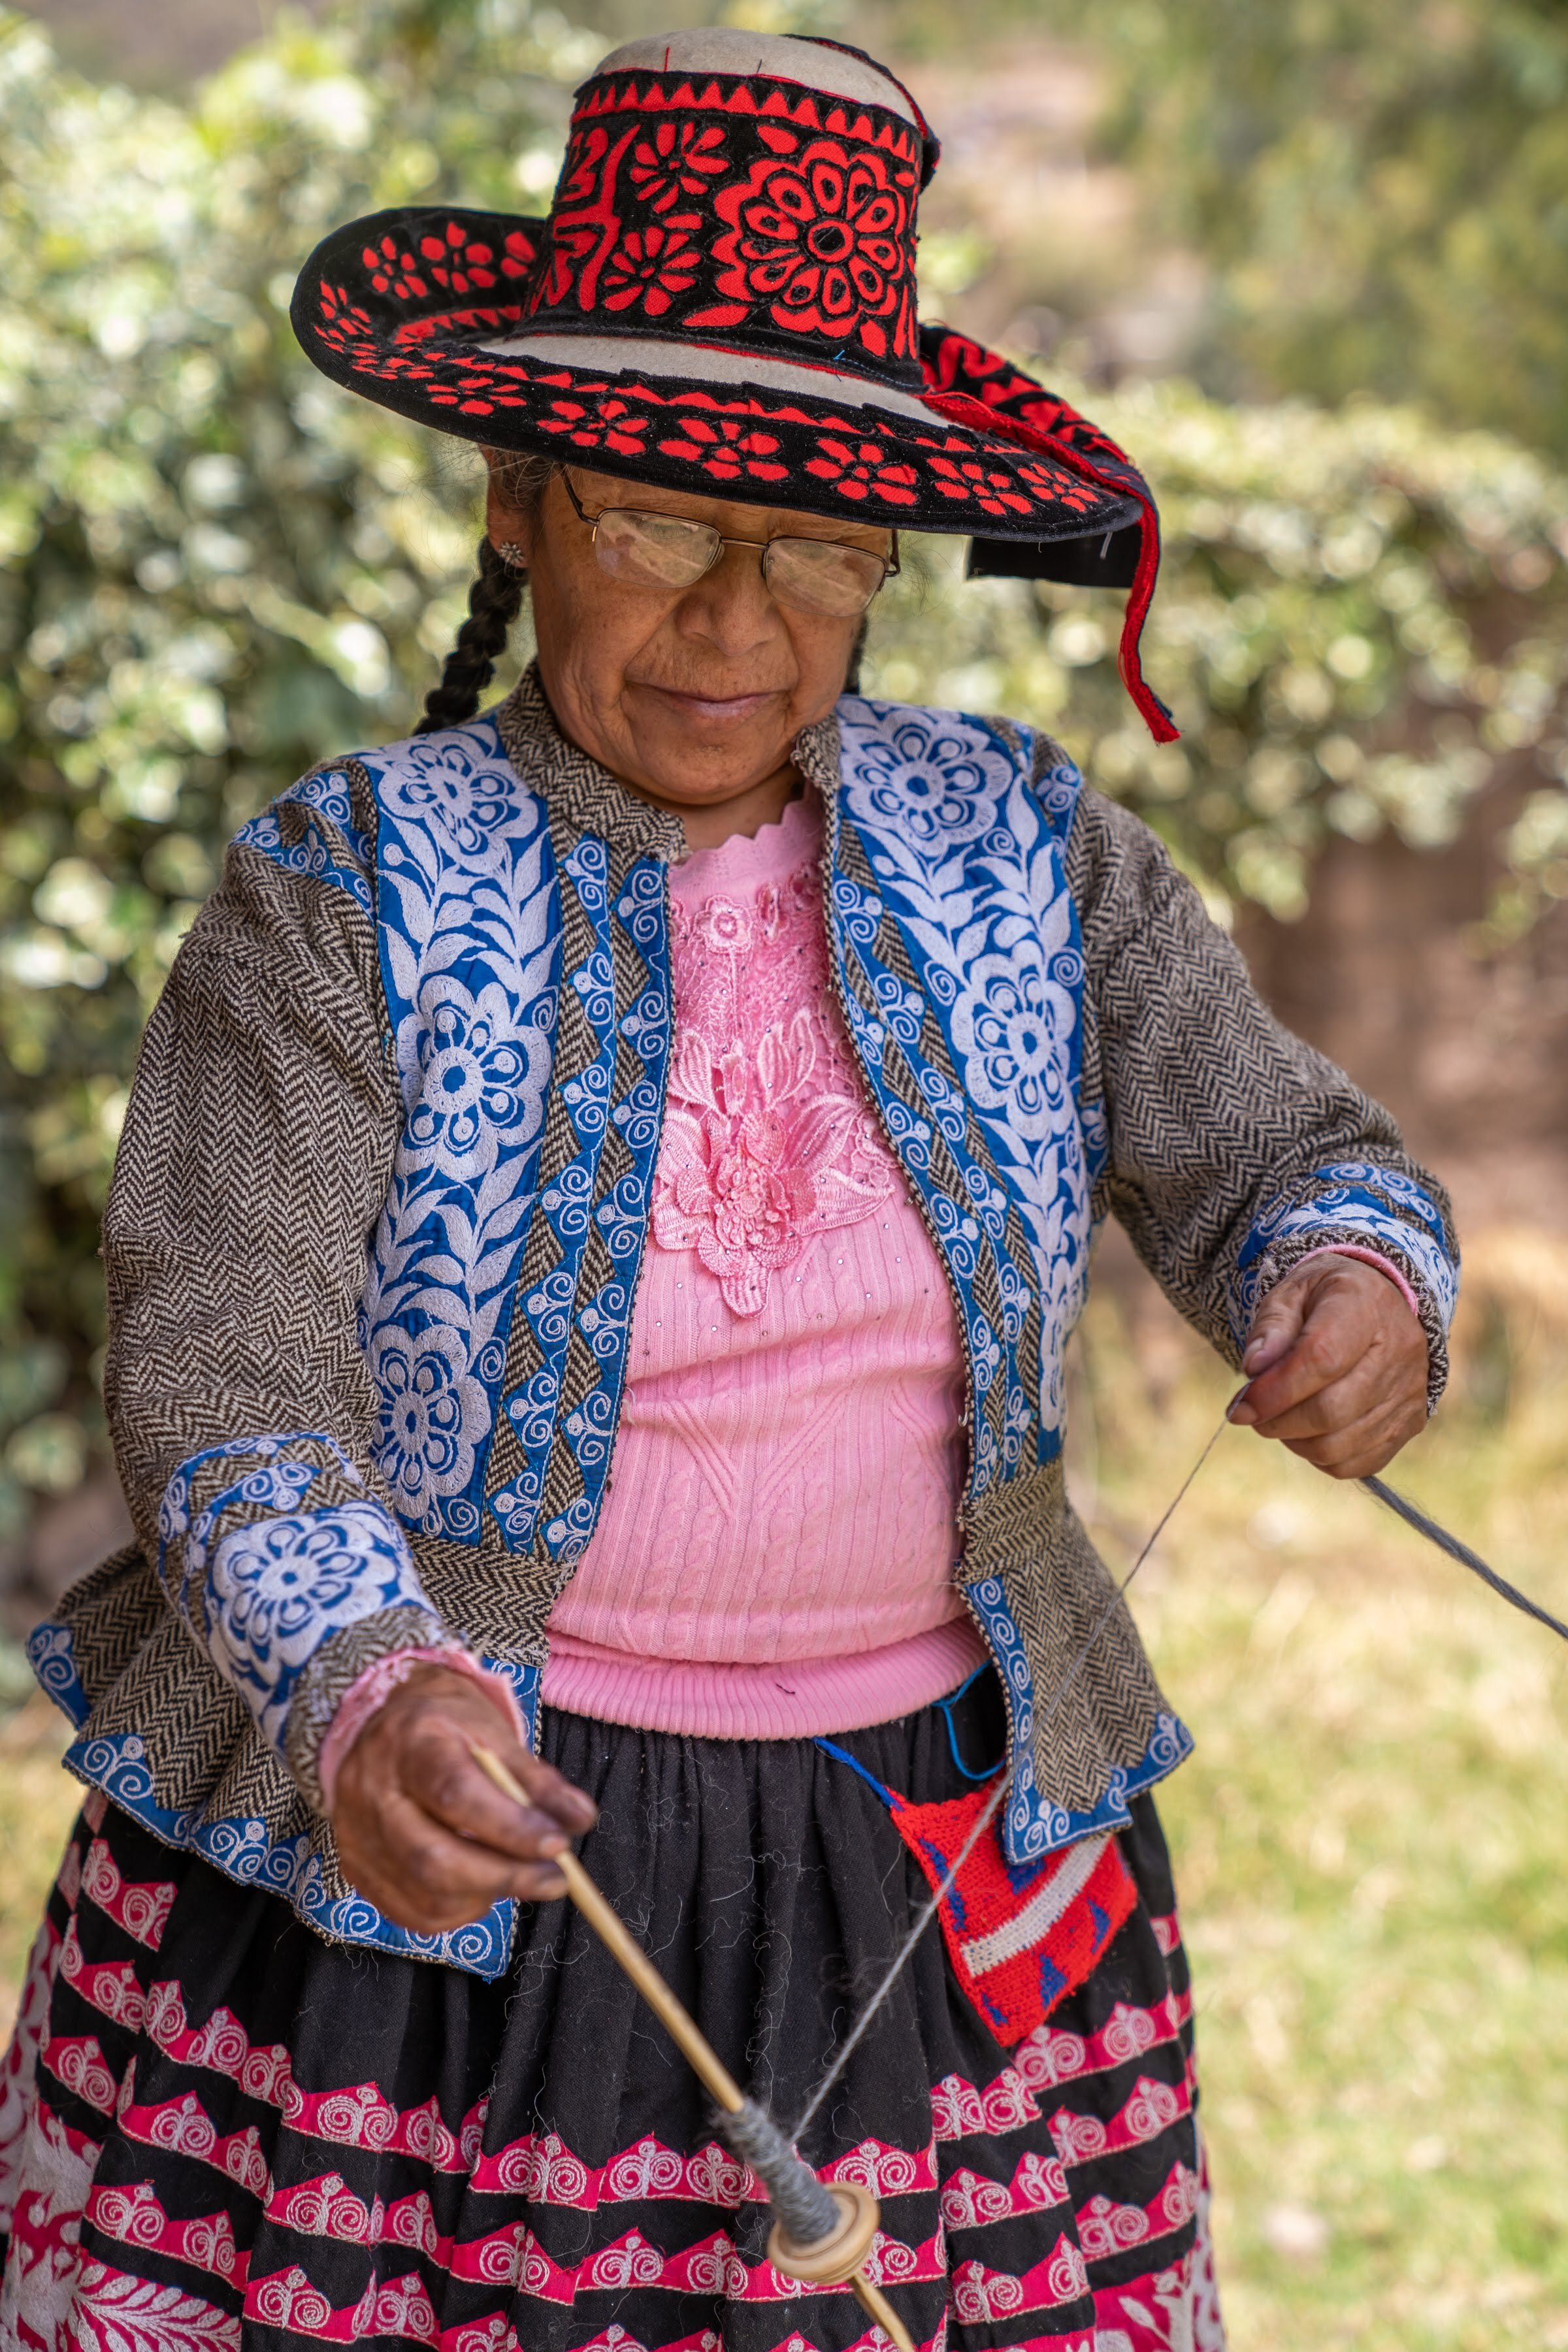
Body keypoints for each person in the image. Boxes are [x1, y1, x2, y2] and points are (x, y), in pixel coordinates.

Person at [0, 28, 1455, 2352]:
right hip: (448, 1860)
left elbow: (1285, 1151)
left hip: (937, 1858)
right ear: (515, 492)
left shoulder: (1024, 849)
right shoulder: (340, 895)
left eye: (815, 547)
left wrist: (1354, 1275)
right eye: (660, 521)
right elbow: (228, 1356)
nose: (736, 625)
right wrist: (367, 1686)